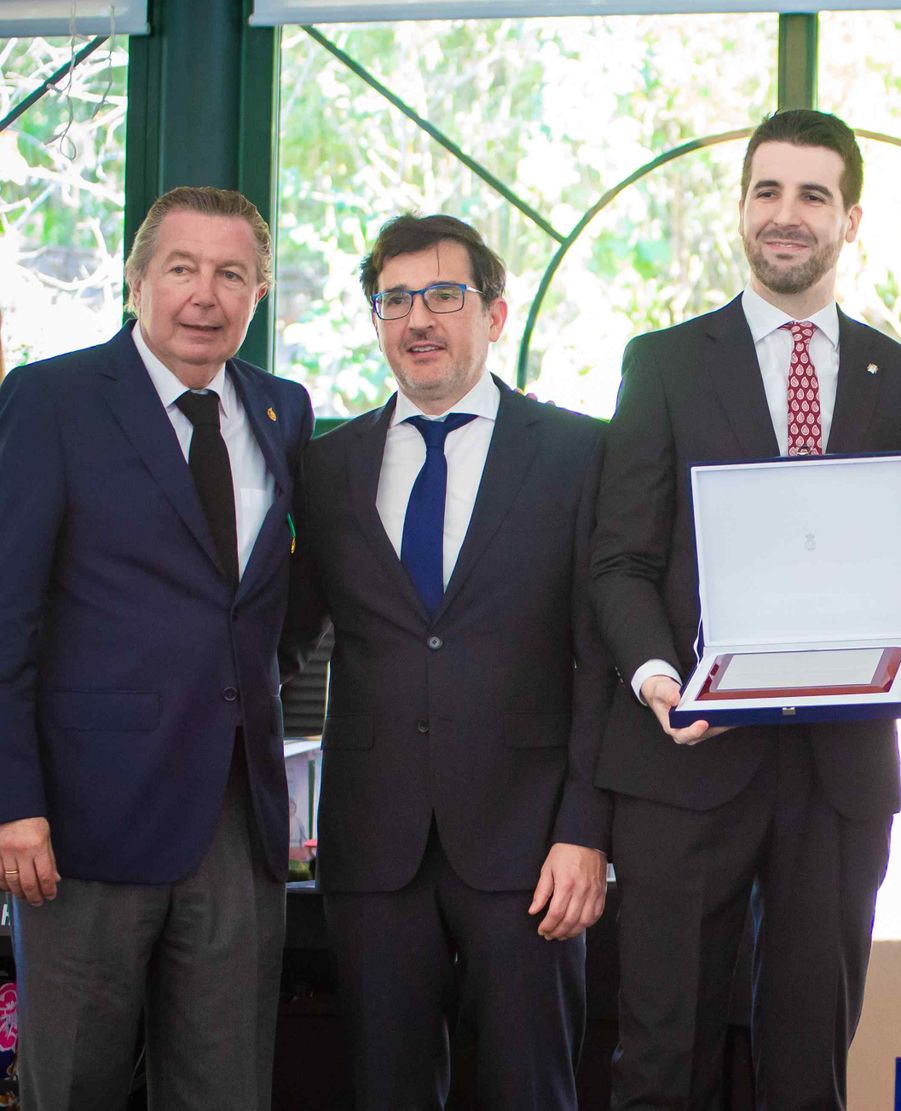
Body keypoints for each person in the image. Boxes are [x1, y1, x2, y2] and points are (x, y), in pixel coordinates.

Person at [590, 108, 901, 1109]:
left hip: (836, 772)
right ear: (741, 208)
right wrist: (659, 678)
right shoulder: (661, 363)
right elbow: (619, 560)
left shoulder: (899, 376)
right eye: (766, 190)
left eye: (810, 194)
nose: (784, 215)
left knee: (808, 1063)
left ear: (850, 219)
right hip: (686, 754)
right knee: (663, 1057)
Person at [280, 214, 610, 1110]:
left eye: (443, 296)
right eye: (394, 299)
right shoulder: (326, 464)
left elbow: (600, 659)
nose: (417, 318)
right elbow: (282, 638)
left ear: (494, 314)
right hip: (371, 847)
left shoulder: (580, 455)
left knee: (531, 1090)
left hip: (531, 848)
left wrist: (586, 831)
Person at [0, 185, 313, 1110]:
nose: (204, 296)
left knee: (225, 1089)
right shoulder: (50, 399)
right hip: (83, 824)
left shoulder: (281, 410)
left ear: (259, 293)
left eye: (231, 274)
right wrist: (15, 802)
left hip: (236, 821)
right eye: (181, 269)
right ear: (137, 280)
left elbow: (274, 612)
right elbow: (6, 616)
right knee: (78, 1086)